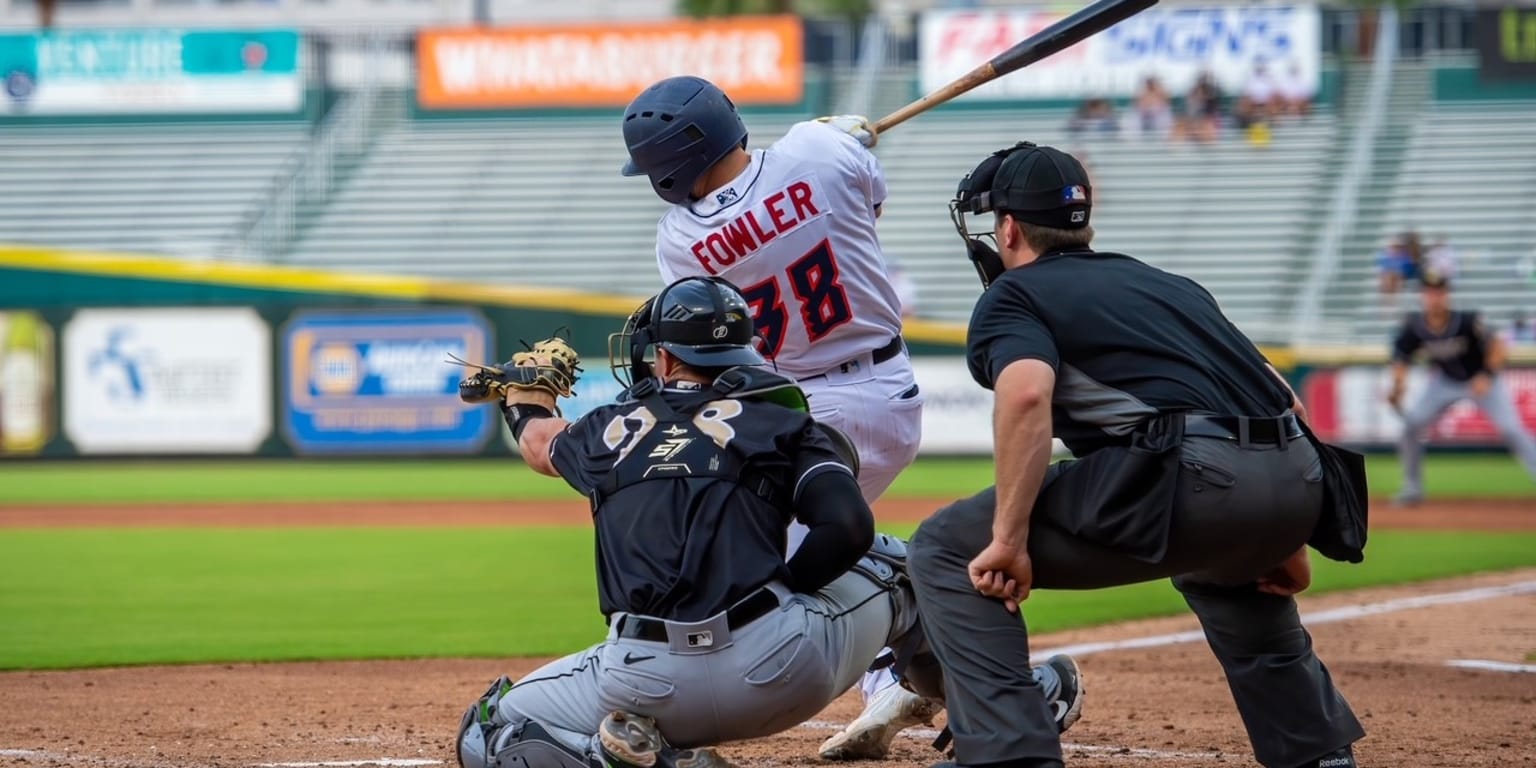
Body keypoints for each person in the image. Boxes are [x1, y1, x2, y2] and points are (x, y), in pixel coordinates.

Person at [450, 277, 1086, 768]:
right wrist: (789, 589)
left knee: (491, 729)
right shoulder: (785, 421)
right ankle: (1010, 704)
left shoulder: (609, 429)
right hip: (780, 669)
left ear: (666, 361)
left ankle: (630, 755)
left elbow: (537, 443)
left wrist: (523, 393)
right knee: (909, 566)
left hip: (638, 678)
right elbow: (847, 528)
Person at [909, 141, 1368, 768]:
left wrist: (1009, 539)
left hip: (1195, 479)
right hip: (1300, 478)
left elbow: (1024, 397)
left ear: (1009, 229)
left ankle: (1010, 754)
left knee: (943, 545)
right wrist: (1281, 540)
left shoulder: (1013, 297)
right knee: (1223, 568)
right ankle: (1318, 753)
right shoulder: (1172, 286)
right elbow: (1281, 400)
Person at [618, 75, 956, 761]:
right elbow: (869, 205)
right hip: (885, 388)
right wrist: (840, 138)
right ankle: (912, 669)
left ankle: (976, 674)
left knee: (752, 574)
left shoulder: (681, 238)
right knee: (798, 556)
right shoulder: (817, 150)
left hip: (795, 415)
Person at [1387, 273, 1536, 504]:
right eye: (1429, 292)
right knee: (1412, 424)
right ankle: (1412, 488)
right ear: (1422, 295)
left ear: (1447, 295)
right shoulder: (1414, 326)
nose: (1434, 297)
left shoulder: (1466, 320)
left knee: (1511, 428)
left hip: (1481, 380)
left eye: (1439, 292)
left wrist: (1487, 375)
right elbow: (1401, 359)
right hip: (1445, 382)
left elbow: (1498, 346)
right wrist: (1397, 387)